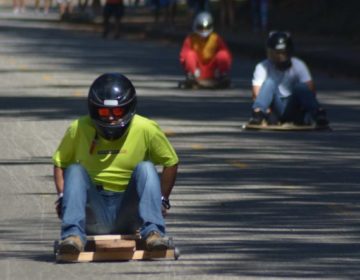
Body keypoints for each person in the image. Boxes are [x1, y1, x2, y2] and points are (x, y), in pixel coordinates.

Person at [52, 73, 179, 253]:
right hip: (93, 213)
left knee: (146, 167)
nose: (111, 118)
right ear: (95, 110)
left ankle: (153, 232)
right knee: (75, 170)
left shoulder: (146, 128)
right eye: (104, 112)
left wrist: (162, 199)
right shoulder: (78, 128)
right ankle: (72, 235)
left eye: (117, 112)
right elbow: (60, 163)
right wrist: (63, 197)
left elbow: (171, 162)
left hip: (129, 214)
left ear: (128, 109)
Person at [249, 31, 329, 126]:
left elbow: (311, 91)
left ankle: (318, 114)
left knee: (300, 87)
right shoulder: (262, 66)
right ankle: (258, 115)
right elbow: (256, 94)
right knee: (269, 82)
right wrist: (267, 111)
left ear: (289, 52)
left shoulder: (298, 65)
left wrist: (305, 109)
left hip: (294, 108)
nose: (279, 57)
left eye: (282, 53)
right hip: (275, 109)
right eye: (275, 53)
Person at [179, 11, 232, 87]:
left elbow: (227, 56)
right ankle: (191, 76)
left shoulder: (216, 38)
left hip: (213, 69)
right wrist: (188, 68)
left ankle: (223, 75)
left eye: (206, 28)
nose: (204, 31)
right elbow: (183, 56)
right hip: (198, 69)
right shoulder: (190, 39)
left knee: (223, 54)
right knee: (190, 54)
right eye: (201, 28)